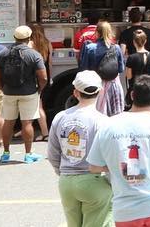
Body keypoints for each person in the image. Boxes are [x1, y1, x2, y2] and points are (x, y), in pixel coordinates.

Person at [87, 75, 150, 227]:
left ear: (132, 95)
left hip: (126, 211)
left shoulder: (108, 126)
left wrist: (116, 165)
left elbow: (94, 167)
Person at [47, 70, 113, 227]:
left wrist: (62, 172)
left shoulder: (60, 117)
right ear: (100, 91)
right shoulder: (103, 121)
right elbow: (110, 156)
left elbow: (52, 153)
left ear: (76, 92)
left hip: (66, 182)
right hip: (94, 181)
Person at [0, 24, 47, 163]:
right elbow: (43, 77)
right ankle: (28, 154)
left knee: (8, 122)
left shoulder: (3, 53)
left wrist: (2, 88)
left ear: (14, 37)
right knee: (27, 123)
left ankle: (6, 153)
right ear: (29, 37)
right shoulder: (34, 54)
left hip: (8, 92)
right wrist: (39, 90)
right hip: (29, 92)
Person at [78, 20, 125, 117]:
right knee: (115, 116)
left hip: (96, 86)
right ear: (110, 32)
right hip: (113, 86)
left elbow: (84, 69)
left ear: (97, 33)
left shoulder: (90, 48)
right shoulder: (116, 48)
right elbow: (121, 69)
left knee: (97, 116)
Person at [29, 23, 52, 141]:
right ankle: (26, 127)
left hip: (35, 77)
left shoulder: (31, 44)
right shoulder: (48, 43)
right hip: (45, 76)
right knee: (34, 104)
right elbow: (50, 63)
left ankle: (45, 133)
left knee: (38, 106)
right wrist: (50, 77)